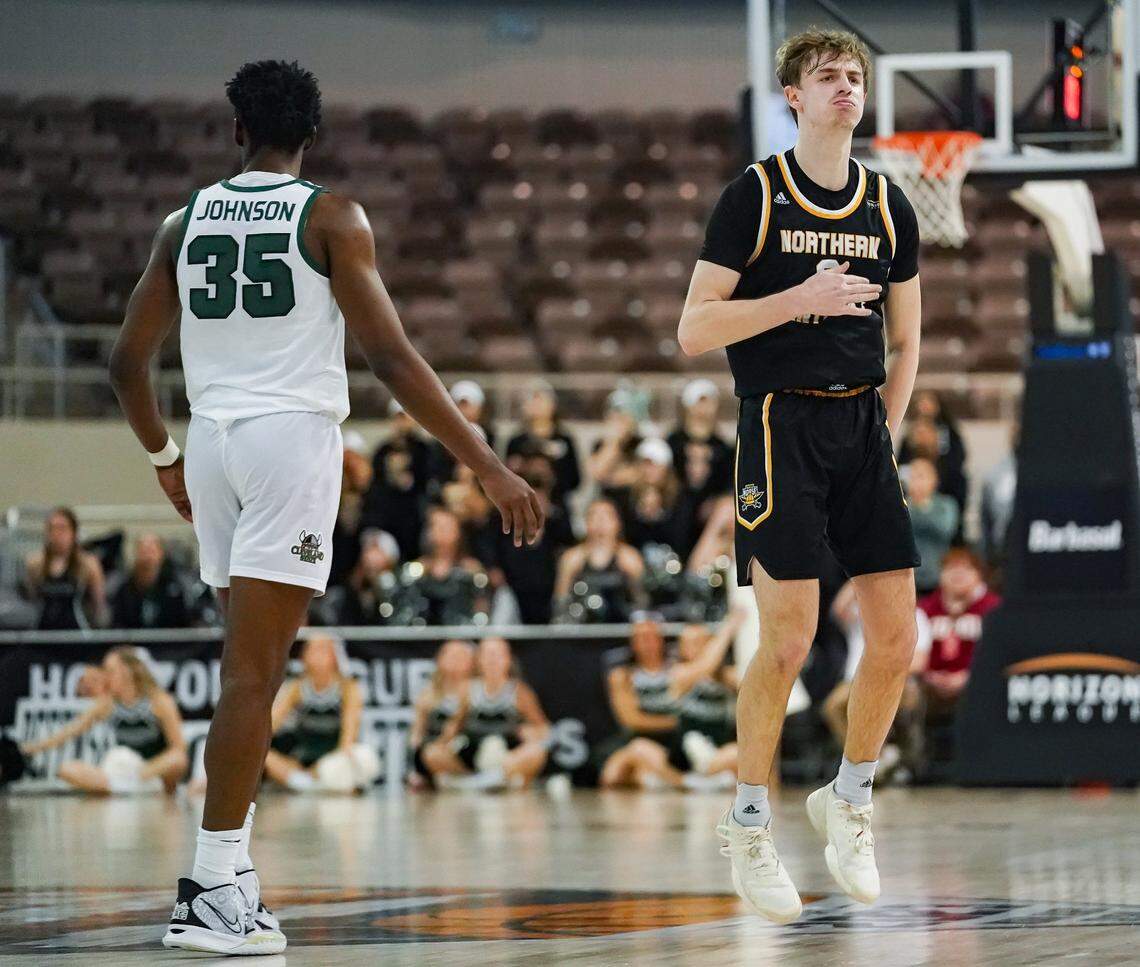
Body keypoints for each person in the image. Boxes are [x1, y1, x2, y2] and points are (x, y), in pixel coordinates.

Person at [107, 59, 542, 955]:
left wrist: (163, 459)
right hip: (288, 444)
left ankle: (229, 875)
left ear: (236, 131)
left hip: (216, 442)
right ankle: (211, 886)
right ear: (312, 135)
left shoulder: (180, 221)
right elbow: (390, 359)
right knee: (254, 677)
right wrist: (487, 464)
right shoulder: (331, 216)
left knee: (246, 670)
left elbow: (126, 364)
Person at [679, 29, 923, 923]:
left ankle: (848, 796)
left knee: (897, 637)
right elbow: (693, 329)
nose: (845, 88)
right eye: (827, 77)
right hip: (781, 421)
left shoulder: (888, 202)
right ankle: (748, 819)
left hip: (863, 425)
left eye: (855, 76)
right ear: (793, 96)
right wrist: (797, 300)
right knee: (786, 640)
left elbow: (908, 337)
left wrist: (886, 431)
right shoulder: (756, 195)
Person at [598, 612, 744, 790]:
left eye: (701, 642)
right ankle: (684, 783)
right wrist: (728, 628)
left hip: (715, 745)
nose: (696, 648)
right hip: (684, 747)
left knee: (743, 755)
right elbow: (706, 665)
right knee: (623, 768)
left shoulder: (726, 675)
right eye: (689, 643)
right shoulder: (679, 673)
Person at [20, 646, 188, 795]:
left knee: (177, 760)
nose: (105, 676)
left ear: (128, 671)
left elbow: (178, 750)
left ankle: (130, 786)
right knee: (67, 769)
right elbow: (70, 731)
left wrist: (142, 773)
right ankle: (124, 787)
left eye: (110, 671)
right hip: (122, 770)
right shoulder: (108, 703)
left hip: (153, 772)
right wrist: (31, 748)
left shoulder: (160, 700)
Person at [421, 637, 550, 790]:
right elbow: (454, 725)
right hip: (472, 753)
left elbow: (543, 728)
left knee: (536, 752)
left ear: (508, 659)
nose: (492, 660)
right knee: (432, 753)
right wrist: (445, 743)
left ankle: (495, 779)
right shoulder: (467, 690)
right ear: (479, 659)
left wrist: (533, 733)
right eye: (488, 655)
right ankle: (476, 781)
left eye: (497, 655)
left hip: (506, 755)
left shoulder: (520, 692)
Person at [262, 636, 373, 793]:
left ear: (335, 656)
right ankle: (309, 784)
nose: (318, 655)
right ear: (303, 656)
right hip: (303, 760)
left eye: (324, 649)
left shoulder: (348, 688)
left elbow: (349, 738)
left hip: (334, 760)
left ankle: (314, 784)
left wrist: (321, 768)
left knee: (363, 756)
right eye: (313, 649)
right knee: (264, 755)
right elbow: (270, 726)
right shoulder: (296, 687)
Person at [359, 400, 432, 561]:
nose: (402, 422)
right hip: (388, 518)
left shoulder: (423, 450)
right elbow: (375, 486)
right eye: (399, 417)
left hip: (414, 519)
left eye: (406, 417)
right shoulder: (382, 451)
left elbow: (426, 483)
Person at [553, 498, 645, 623]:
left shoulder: (630, 557)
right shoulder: (572, 558)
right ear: (586, 522)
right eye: (594, 515)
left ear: (618, 523)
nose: (600, 521)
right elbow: (560, 603)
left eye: (607, 516)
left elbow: (642, 602)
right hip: (582, 627)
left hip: (621, 625)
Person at [667, 378, 734, 546]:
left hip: (709, 511)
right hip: (676, 507)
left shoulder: (723, 448)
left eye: (708, 402)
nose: (703, 408)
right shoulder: (672, 442)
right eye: (700, 401)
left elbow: (728, 484)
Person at [24, 507, 108, 630]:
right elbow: (31, 600)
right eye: (51, 529)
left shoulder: (88, 564)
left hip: (77, 633)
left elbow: (99, 605)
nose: (56, 534)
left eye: (62, 528)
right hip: (43, 631)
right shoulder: (35, 563)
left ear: (74, 532)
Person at [407, 639, 476, 789]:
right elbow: (417, 731)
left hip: (464, 747)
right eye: (450, 655)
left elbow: (455, 726)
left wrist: (445, 742)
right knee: (429, 754)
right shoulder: (429, 692)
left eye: (460, 656)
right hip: (433, 745)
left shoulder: (474, 690)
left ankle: (470, 780)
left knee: (436, 754)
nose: (454, 661)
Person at [505, 380, 581, 513]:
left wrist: (551, 475)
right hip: (523, 505)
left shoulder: (565, 440)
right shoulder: (516, 441)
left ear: (553, 405)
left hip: (558, 507)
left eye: (541, 400)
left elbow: (575, 479)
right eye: (533, 400)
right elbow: (507, 476)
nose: (537, 405)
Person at [108, 533, 194, 629]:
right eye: (143, 551)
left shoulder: (175, 587)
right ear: (136, 554)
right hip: (134, 642)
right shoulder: (124, 588)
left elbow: (184, 623)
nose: (147, 556)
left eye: (151, 550)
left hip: (168, 641)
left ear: (161, 553)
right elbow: (118, 624)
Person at [905, 457, 959, 595]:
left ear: (934, 479)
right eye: (913, 476)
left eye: (921, 476)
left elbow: (945, 529)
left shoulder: (946, 504)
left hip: (937, 576)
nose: (917, 482)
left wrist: (920, 508)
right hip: (908, 577)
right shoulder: (901, 506)